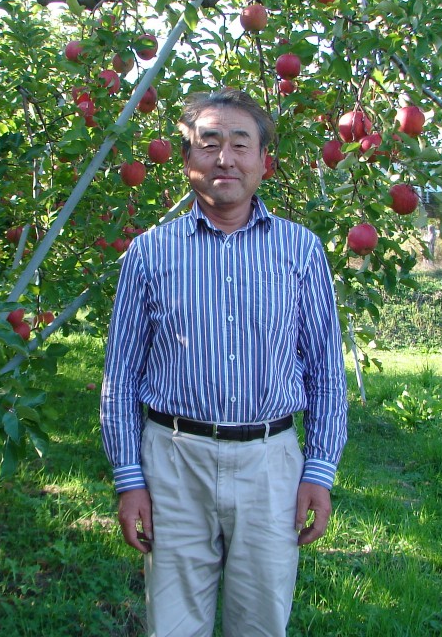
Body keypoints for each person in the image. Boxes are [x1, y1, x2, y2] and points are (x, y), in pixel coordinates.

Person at [100, 87, 348, 636]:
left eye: (241, 144)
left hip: (271, 464)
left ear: (266, 162)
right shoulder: (150, 253)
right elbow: (120, 375)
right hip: (172, 462)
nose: (225, 158)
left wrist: (320, 471)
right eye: (208, 144)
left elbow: (326, 372)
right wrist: (129, 479)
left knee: (260, 623)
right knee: (172, 625)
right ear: (186, 159)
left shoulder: (300, 250)